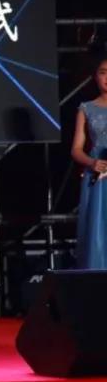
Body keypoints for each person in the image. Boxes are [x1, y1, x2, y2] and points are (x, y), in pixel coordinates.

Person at [71, 55, 107, 270]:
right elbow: (76, 149)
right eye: (103, 73)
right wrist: (92, 163)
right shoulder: (86, 108)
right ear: (95, 77)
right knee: (97, 231)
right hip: (98, 177)